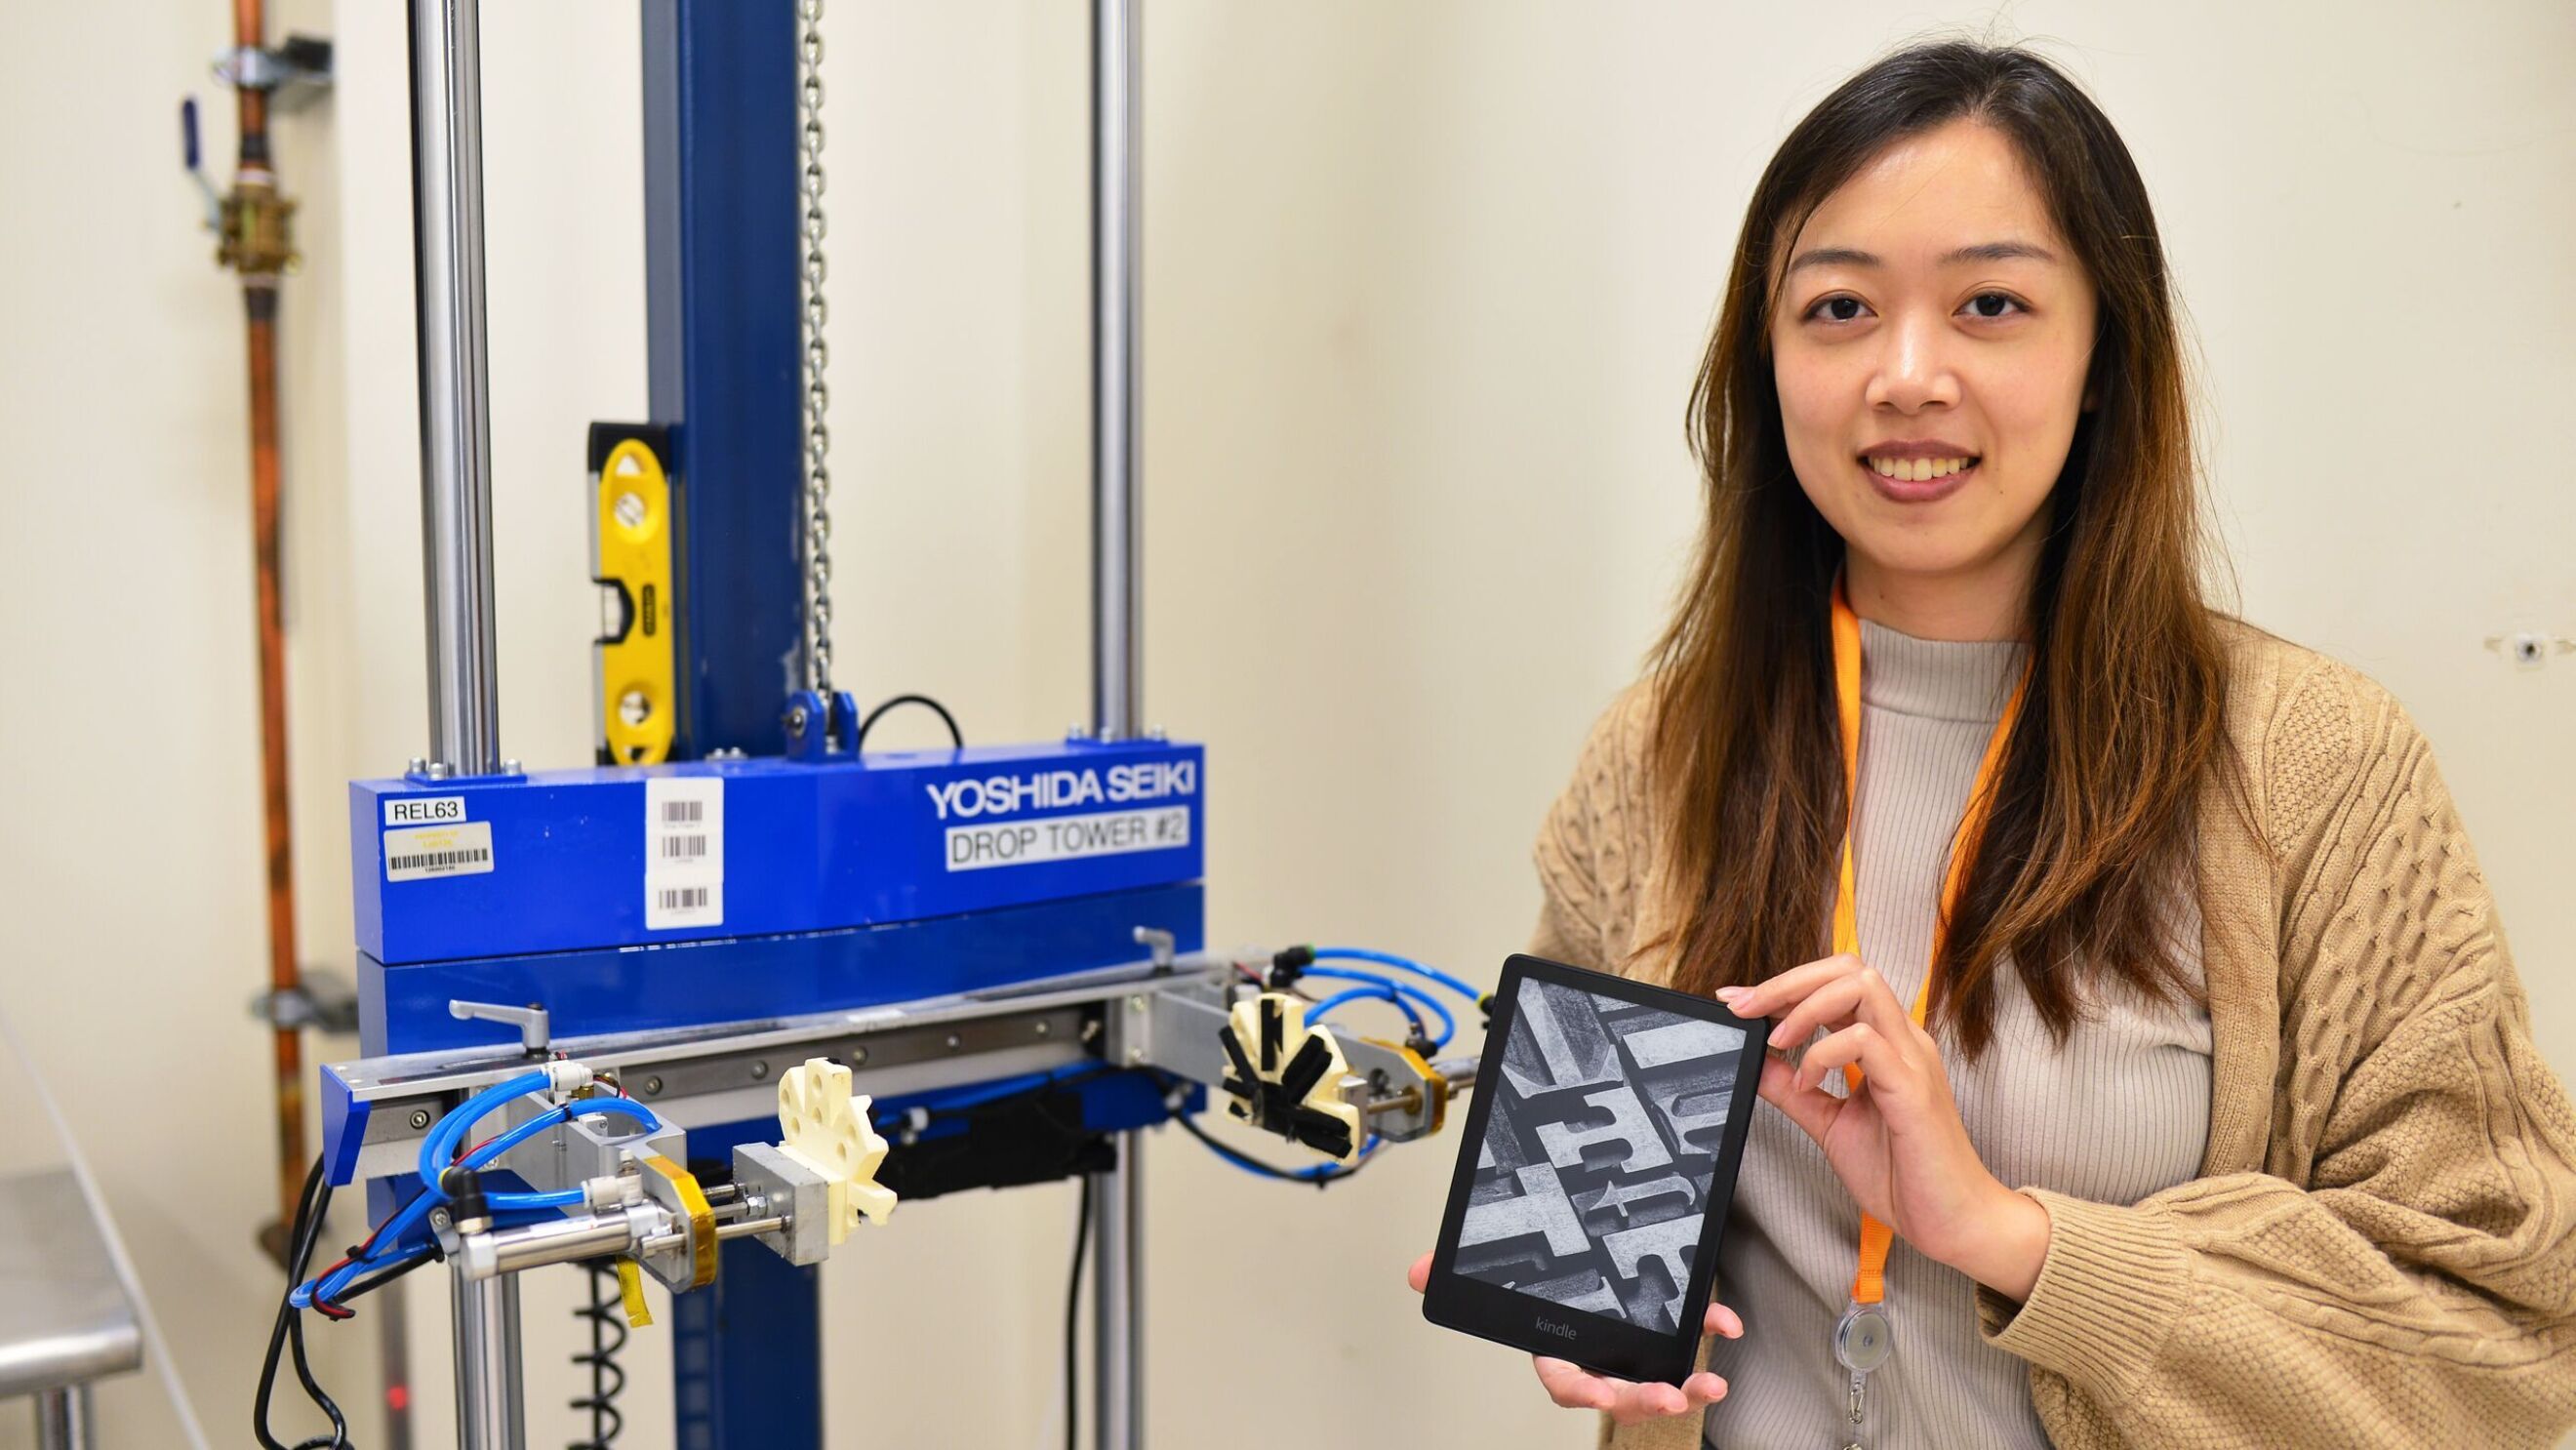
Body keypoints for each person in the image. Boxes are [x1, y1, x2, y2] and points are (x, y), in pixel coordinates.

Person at [1408, 38, 2576, 1450]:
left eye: (1991, 304)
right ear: (1764, 362)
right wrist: (1577, 1299)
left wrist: (2014, 1237)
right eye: (1839, 306)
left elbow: (2510, 1343)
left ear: (2101, 360)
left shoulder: (2311, 764)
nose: (1907, 374)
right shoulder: (1655, 755)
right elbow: (1608, 1259)